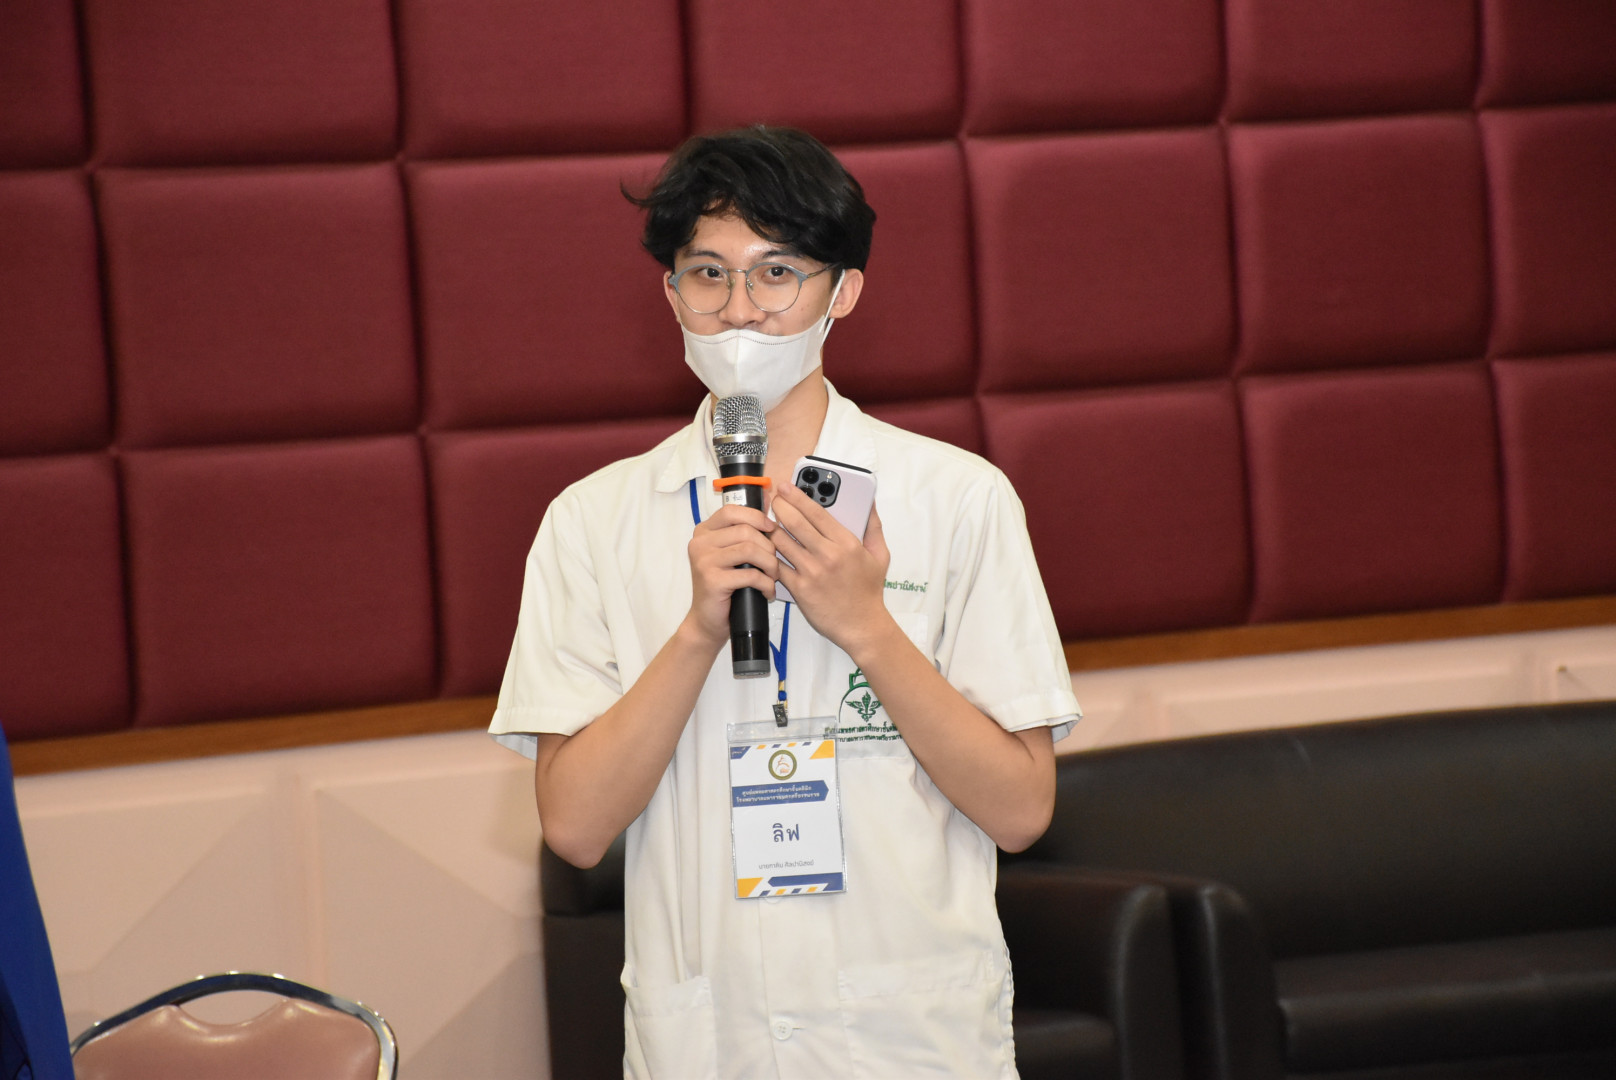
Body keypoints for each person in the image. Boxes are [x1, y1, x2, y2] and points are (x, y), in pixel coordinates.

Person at [490, 125, 1079, 1079]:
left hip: (911, 1042)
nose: (739, 311)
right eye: (707, 275)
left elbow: (1020, 810)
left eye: (776, 274)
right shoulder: (592, 520)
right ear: (670, 293)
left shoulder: (957, 498)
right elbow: (576, 828)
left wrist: (867, 627)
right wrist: (696, 631)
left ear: (842, 291)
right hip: (708, 1042)